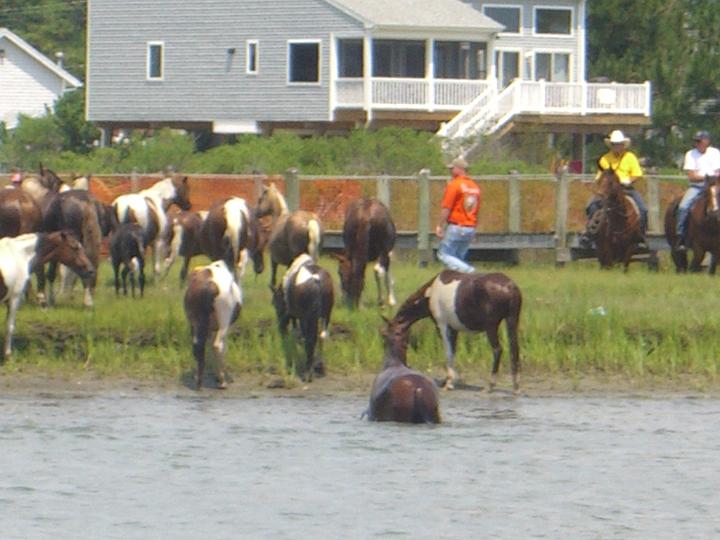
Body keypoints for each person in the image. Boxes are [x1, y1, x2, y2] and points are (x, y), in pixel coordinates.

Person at [580, 130, 647, 248]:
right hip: (608, 190)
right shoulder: (604, 159)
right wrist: (595, 184)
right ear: (611, 145)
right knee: (592, 206)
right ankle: (590, 234)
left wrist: (629, 180)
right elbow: (600, 176)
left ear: (623, 145)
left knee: (642, 209)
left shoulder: (630, 157)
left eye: (618, 144)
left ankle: (640, 236)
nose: (616, 146)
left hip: (626, 189)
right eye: (614, 144)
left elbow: (637, 174)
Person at [435, 156, 481, 273]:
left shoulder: (454, 185)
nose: (450, 171)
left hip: (457, 226)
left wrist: (440, 226)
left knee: (443, 254)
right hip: (470, 227)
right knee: (458, 259)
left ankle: (470, 271)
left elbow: (446, 208)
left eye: (452, 168)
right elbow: (476, 210)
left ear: (459, 169)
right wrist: (475, 227)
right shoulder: (475, 187)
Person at [676, 130, 720, 251]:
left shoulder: (715, 153)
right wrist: (705, 177)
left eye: (700, 141)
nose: (698, 143)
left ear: (707, 141)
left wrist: (714, 178)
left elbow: (718, 170)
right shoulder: (690, 154)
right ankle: (681, 236)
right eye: (696, 141)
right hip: (698, 186)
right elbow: (691, 176)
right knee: (683, 207)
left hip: (715, 185)